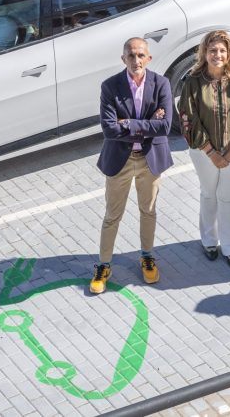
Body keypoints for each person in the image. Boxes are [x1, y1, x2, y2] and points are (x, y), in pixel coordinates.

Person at [90, 37, 173, 294]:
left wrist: (128, 123)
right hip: (120, 161)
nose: (136, 60)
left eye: (140, 55)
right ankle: (104, 265)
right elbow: (109, 129)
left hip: (150, 161)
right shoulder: (110, 86)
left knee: (148, 211)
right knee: (112, 215)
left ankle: (147, 256)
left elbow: (166, 126)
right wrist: (147, 123)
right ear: (123, 59)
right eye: (131, 55)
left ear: (148, 58)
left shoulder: (162, 84)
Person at [178, 30, 230, 269]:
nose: (218, 54)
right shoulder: (193, 81)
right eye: (213, 50)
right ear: (204, 52)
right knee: (209, 193)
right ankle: (209, 241)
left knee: (227, 196)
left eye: (222, 50)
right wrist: (210, 151)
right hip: (203, 152)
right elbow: (187, 118)